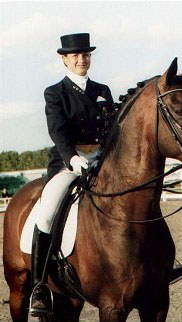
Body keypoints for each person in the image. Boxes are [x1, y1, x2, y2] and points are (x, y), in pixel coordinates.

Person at [29, 33, 114, 317]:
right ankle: (40, 284)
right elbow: (57, 130)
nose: (81, 59)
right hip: (69, 163)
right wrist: (73, 158)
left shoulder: (102, 89)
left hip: (102, 161)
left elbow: (111, 129)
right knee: (48, 209)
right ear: (64, 59)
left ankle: (163, 261)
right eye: (75, 55)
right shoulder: (55, 93)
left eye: (86, 54)